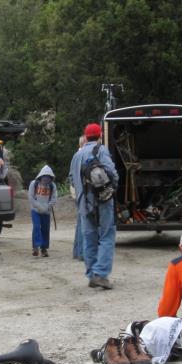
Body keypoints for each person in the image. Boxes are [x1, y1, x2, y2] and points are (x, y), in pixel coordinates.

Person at [69, 123, 118, 289]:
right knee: (106, 235)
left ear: (85, 135)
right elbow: (112, 174)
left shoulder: (77, 155)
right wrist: (113, 189)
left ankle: (91, 275)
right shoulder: (101, 150)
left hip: (83, 202)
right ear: (100, 136)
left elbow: (72, 179)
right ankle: (101, 274)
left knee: (89, 237)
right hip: (102, 200)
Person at [28, 164, 57, 257]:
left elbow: (54, 198)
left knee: (45, 229)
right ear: (41, 176)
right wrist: (38, 206)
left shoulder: (52, 186)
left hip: (46, 211)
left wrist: (47, 207)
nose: (46, 180)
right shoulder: (34, 183)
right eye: (44, 178)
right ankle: (35, 247)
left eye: (48, 178)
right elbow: (30, 197)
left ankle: (44, 248)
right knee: (36, 227)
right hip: (35, 210)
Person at [71, 135, 87, 261]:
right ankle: (82, 253)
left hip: (78, 193)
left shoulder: (75, 156)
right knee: (85, 224)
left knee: (80, 223)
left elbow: (71, 178)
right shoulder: (85, 155)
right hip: (85, 194)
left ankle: (77, 251)